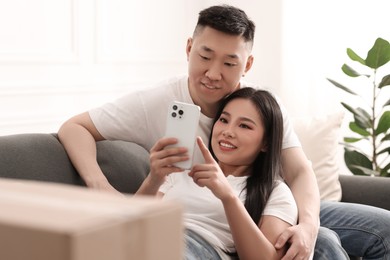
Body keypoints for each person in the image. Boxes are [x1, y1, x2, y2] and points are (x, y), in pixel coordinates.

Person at [58, 4, 390, 260]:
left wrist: (308, 225)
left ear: (247, 65)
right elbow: (75, 127)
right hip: (195, 213)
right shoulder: (160, 104)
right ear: (189, 49)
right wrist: (101, 186)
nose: (213, 74)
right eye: (205, 56)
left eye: (230, 63)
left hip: (260, 199)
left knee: (366, 233)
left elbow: (300, 170)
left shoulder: (260, 106)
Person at [137, 87, 298, 259]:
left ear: (266, 142)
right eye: (224, 120)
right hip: (153, 241)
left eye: (244, 125)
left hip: (199, 249)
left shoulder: (276, 191)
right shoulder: (178, 174)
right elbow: (130, 225)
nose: (227, 132)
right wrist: (153, 180)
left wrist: (228, 197)